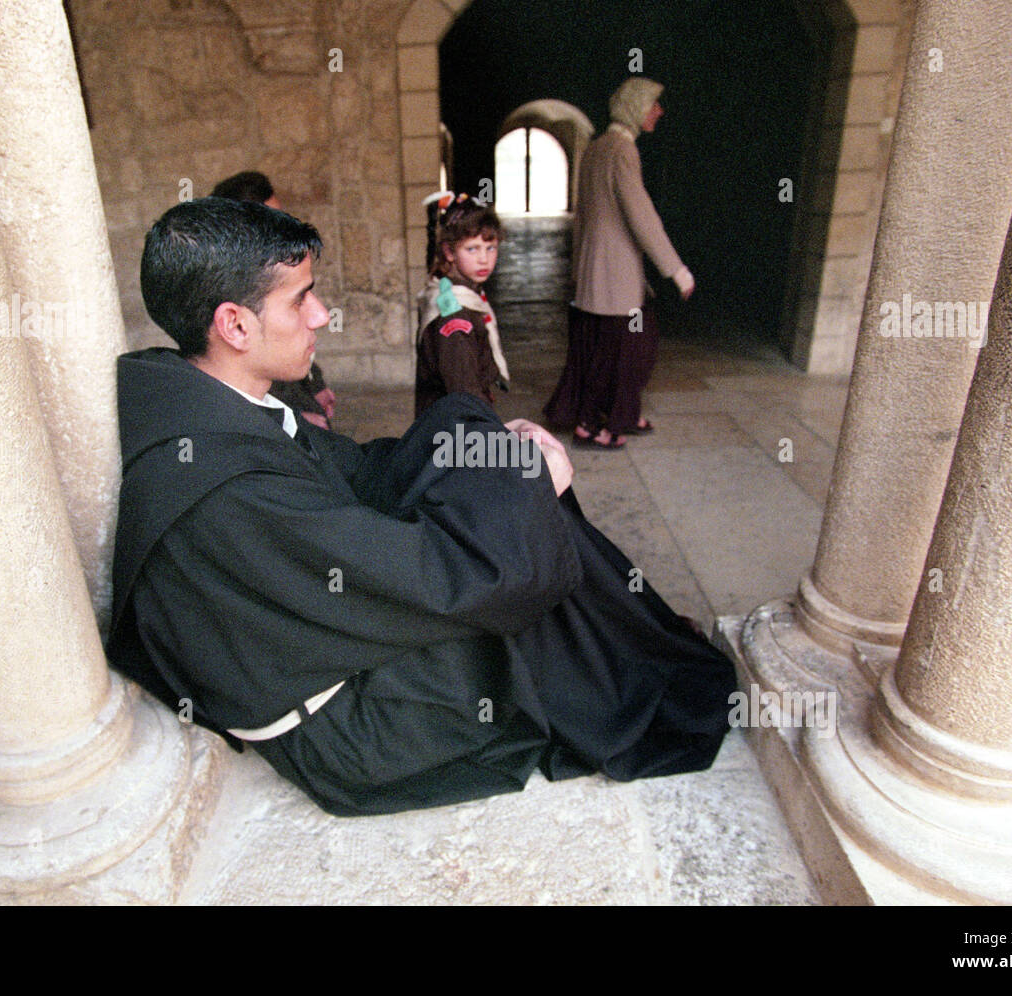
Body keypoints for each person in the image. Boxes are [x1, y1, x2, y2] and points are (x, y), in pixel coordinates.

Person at [107, 196, 736, 817]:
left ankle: (635, 636)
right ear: (234, 325)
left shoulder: (215, 400)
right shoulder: (227, 488)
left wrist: (497, 454)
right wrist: (526, 485)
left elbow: (361, 470)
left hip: (331, 639)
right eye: (301, 299)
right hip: (351, 726)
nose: (322, 315)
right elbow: (435, 578)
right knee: (518, 577)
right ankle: (638, 661)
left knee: (479, 447)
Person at [544, 77, 695, 449]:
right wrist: (676, 270)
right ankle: (598, 424)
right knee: (629, 352)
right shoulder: (622, 150)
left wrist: (578, 273)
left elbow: (584, 217)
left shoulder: (596, 148)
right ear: (635, 107)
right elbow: (641, 215)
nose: (659, 111)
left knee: (602, 349)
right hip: (616, 278)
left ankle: (614, 415)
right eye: (652, 103)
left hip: (596, 275)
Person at [210, 170, 335, 428]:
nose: (322, 316)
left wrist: (315, 384)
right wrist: (290, 422)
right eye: (271, 221)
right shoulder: (234, 286)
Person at [414, 193, 511, 416]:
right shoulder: (455, 316)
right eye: (472, 249)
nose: (484, 259)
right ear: (449, 251)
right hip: (455, 433)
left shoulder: (465, 294)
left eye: (491, 248)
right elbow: (465, 395)